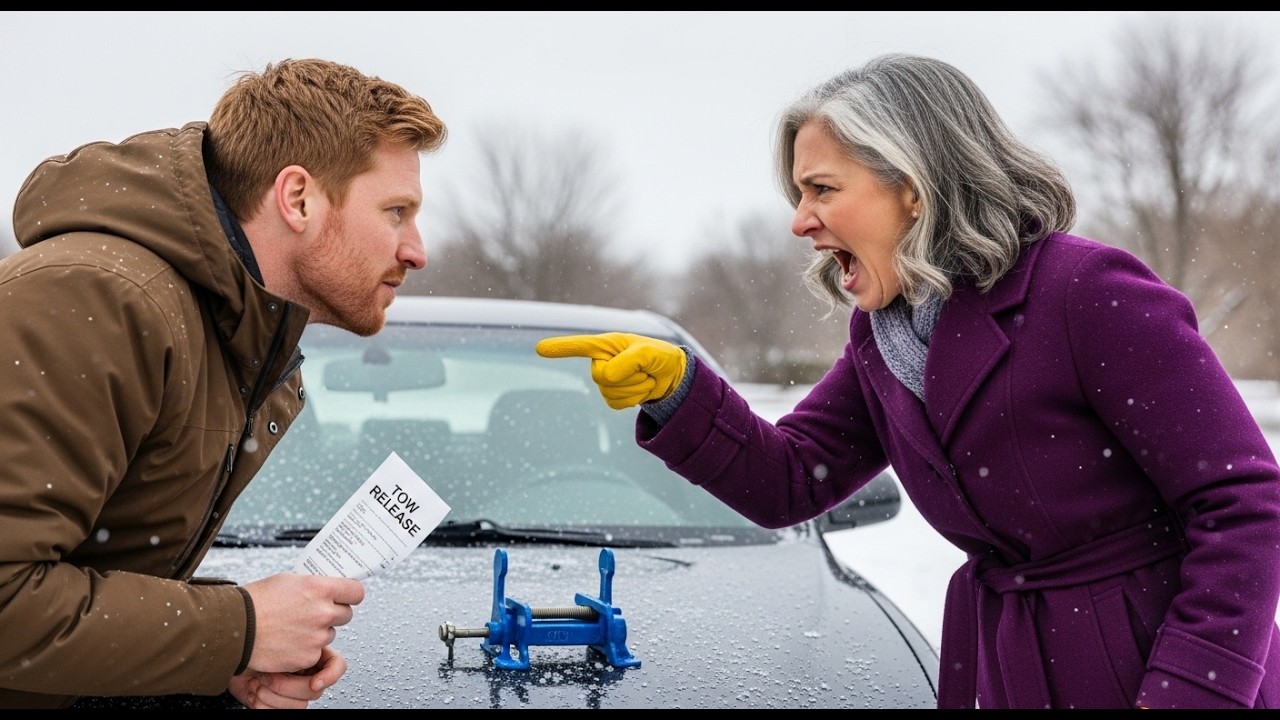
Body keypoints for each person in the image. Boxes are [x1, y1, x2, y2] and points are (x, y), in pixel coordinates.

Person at [535, 53, 1280, 709]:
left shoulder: (1086, 292)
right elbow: (792, 479)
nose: (800, 221)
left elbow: (1244, 503)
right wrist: (682, 392)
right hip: (1010, 666)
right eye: (799, 194)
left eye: (822, 189)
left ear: (913, 187)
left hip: (1150, 664)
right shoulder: (886, 332)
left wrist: (1189, 691)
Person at [0, 58, 446, 709]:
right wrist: (239, 630)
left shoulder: (230, 335)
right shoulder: (99, 304)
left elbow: (93, 578)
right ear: (298, 198)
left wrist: (219, 667)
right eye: (396, 211)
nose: (417, 249)